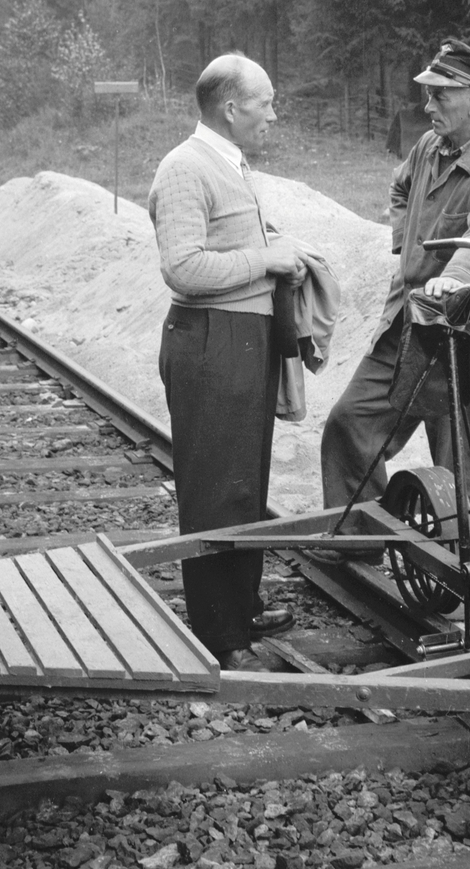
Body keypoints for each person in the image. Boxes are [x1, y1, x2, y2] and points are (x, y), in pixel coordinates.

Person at [319, 39, 470, 544]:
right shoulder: (428, 147)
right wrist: (406, 246)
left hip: (466, 341)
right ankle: (357, 544)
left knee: (464, 480)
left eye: (440, 96)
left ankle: (465, 592)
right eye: (428, 94)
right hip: (409, 326)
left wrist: (454, 278)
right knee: (349, 426)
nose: (427, 106)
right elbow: (399, 186)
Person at [149, 53, 310, 671]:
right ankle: (222, 638)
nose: (273, 112)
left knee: (245, 483)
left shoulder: (229, 165)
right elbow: (182, 267)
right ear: (231, 108)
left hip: (242, 340)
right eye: (265, 102)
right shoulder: (186, 168)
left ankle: (240, 605)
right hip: (212, 341)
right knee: (216, 489)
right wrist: (266, 260)